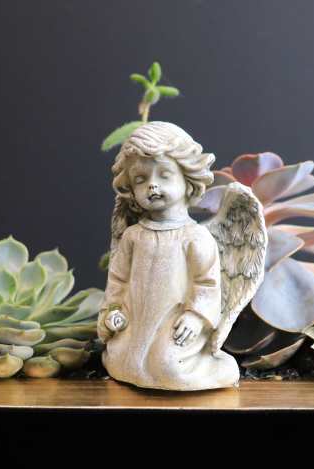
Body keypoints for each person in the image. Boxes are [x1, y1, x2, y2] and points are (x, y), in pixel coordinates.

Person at [98, 121, 240, 391]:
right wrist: (113, 312)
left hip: (175, 322)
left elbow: (207, 284)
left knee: (170, 368)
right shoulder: (133, 236)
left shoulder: (195, 237)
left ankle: (219, 368)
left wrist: (196, 316)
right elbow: (118, 280)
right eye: (140, 179)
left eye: (164, 175)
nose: (152, 185)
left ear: (188, 180)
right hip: (137, 321)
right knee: (123, 363)